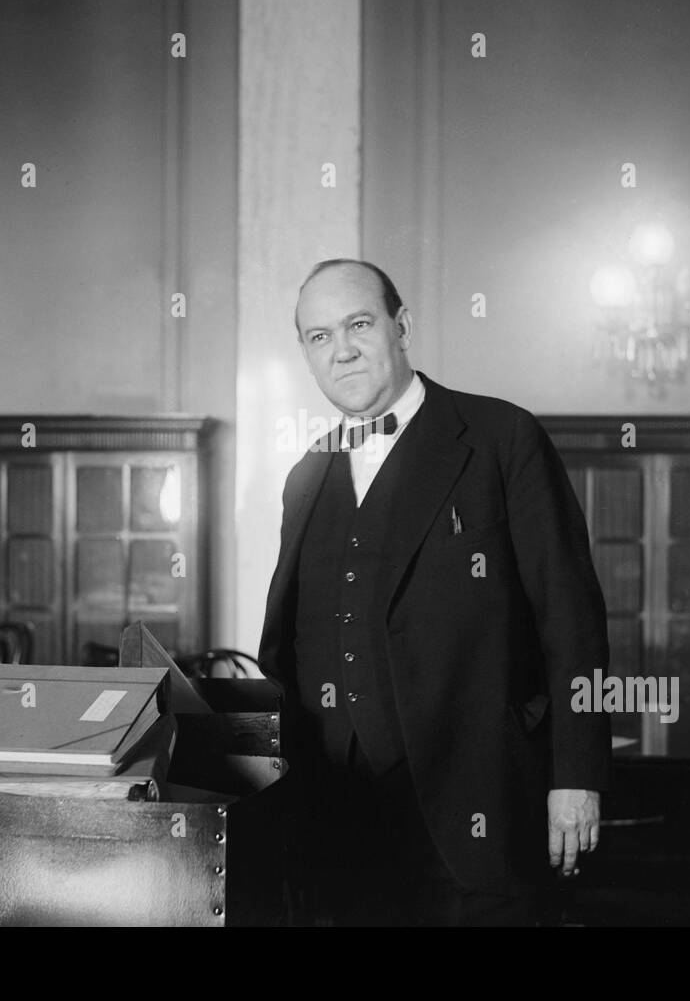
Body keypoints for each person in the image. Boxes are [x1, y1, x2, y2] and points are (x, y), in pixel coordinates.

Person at [257, 258, 612, 926]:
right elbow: (287, 652)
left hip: (482, 809)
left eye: (359, 324)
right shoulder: (306, 476)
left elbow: (573, 622)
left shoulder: (502, 439)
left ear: (402, 326)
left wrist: (578, 777)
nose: (343, 350)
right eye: (319, 337)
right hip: (342, 827)